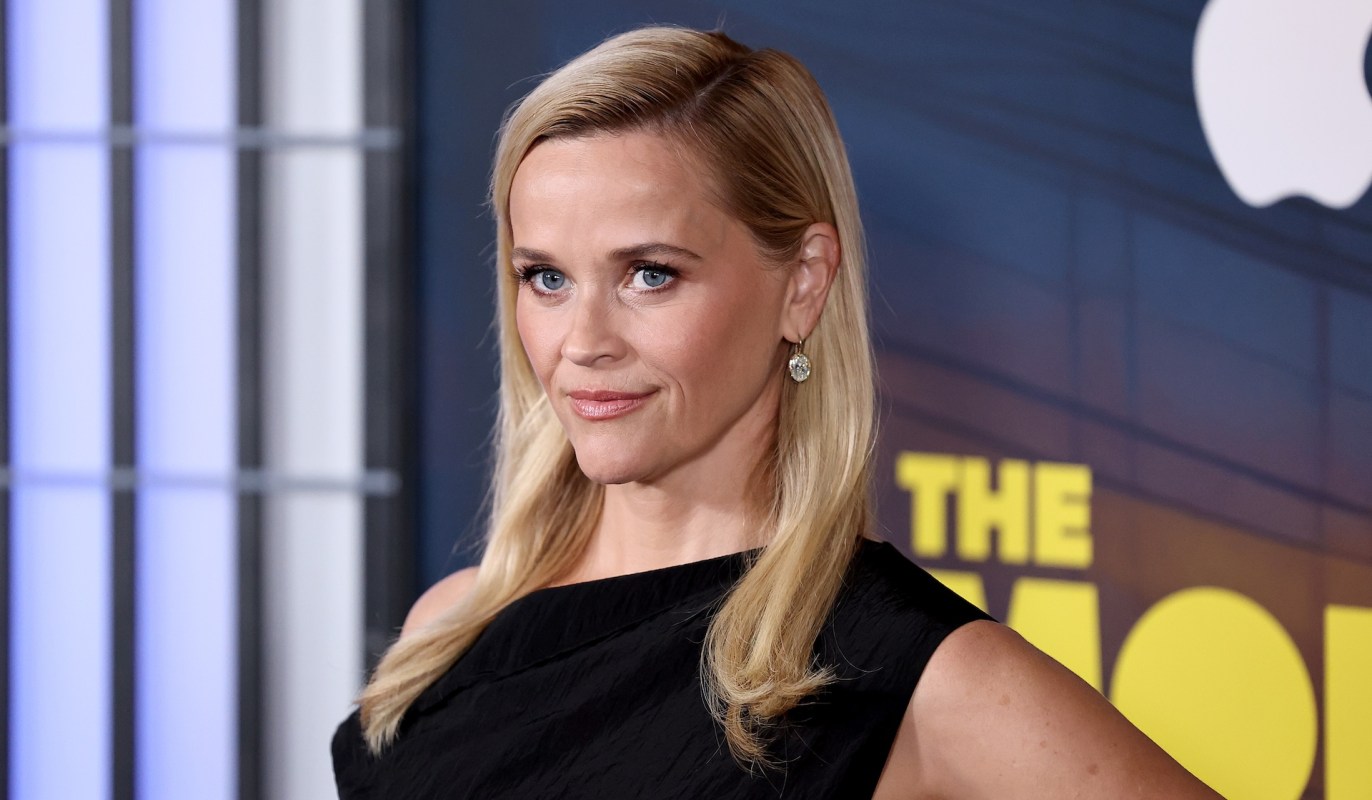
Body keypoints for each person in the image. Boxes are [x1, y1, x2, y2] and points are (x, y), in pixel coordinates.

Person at [332, 26, 1220, 799]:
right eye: (547, 278)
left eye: (651, 274)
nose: (583, 340)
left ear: (802, 284)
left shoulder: (916, 679)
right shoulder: (451, 628)